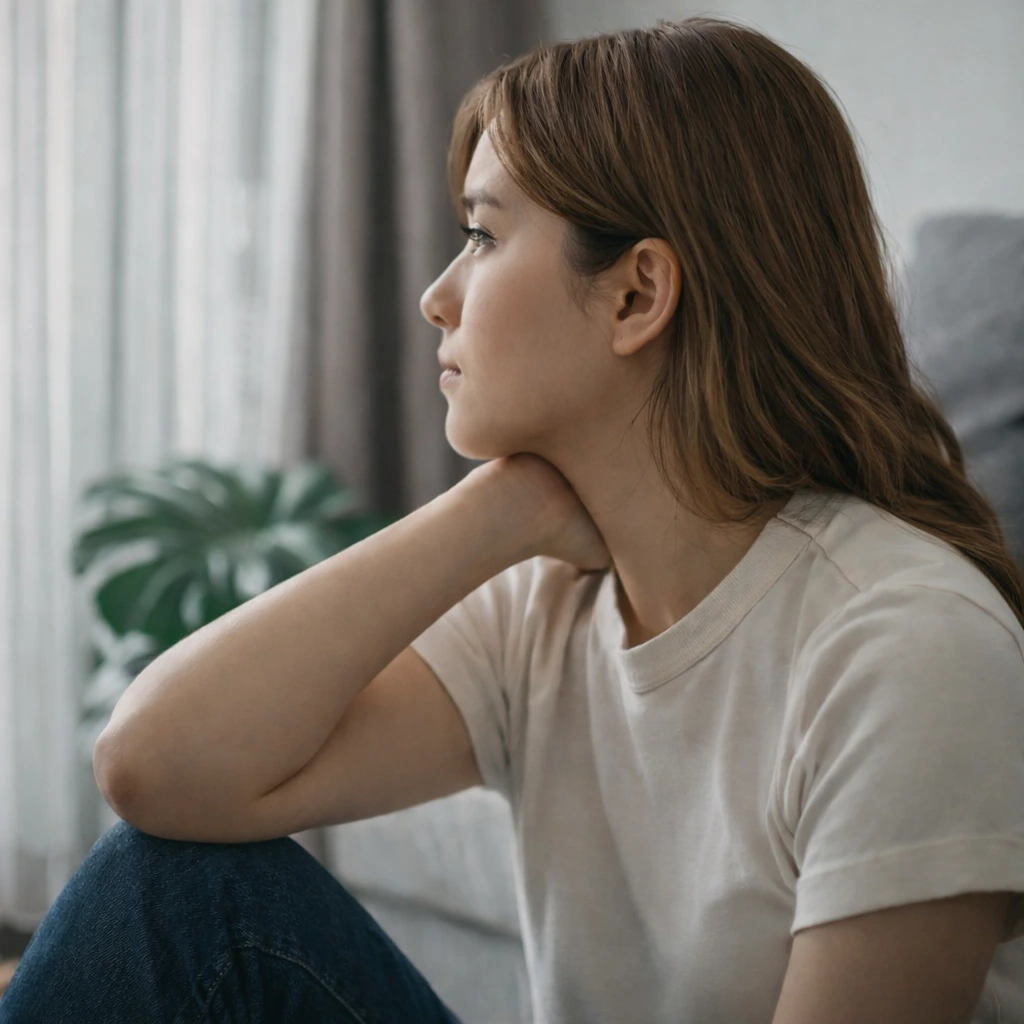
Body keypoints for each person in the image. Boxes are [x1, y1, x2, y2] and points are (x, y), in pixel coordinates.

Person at [3, 15, 1024, 1024]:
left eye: (484, 236)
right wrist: (491, 514)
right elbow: (153, 769)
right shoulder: (547, 605)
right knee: (174, 893)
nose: (434, 297)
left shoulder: (904, 644)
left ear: (636, 296)